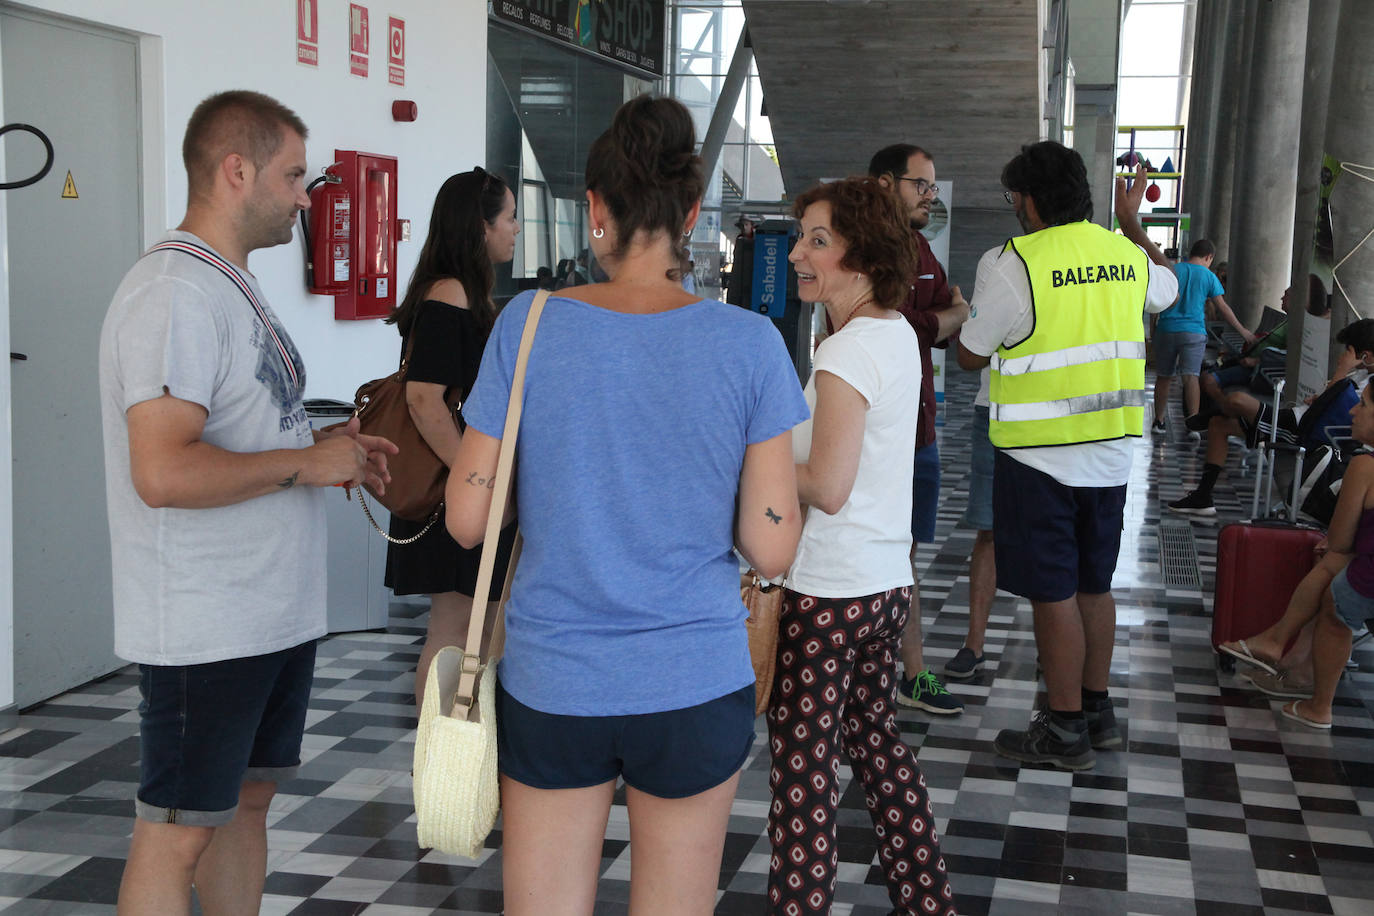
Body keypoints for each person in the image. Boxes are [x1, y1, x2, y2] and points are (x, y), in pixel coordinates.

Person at [444, 95, 808, 916]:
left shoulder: (527, 324)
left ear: (595, 209)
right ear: (688, 211)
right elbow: (772, 546)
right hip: (692, 679)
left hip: (553, 681)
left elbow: (469, 520)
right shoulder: (749, 343)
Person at [98, 90, 395, 915]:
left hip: (265, 613)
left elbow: (251, 428)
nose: (307, 197)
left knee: (246, 807)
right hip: (205, 622)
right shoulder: (174, 294)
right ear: (236, 171)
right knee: (177, 828)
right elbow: (162, 471)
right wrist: (302, 467)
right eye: (294, 175)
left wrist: (324, 454)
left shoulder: (229, 286)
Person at [767, 176, 959, 916]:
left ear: (864, 254)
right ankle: (927, 900)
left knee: (803, 780)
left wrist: (753, 457)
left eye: (819, 240)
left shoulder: (845, 355)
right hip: (884, 587)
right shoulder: (897, 336)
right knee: (879, 751)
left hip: (828, 594)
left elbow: (830, 483)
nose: (797, 256)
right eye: (800, 238)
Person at [958, 148, 1179, 770]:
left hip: (1038, 460)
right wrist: (1131, 225)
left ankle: (1061, 728)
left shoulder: (1011, 262)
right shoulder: (1124, 256)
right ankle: (1097, 709)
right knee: (1093, 586)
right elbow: (1169, 285)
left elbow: (973, 354)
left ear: (1027, 201)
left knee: (1051, 594)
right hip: (1111, 454)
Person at [382, 168, 520, 709]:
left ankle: (458, 760)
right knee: (456, 630)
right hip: (455, 489)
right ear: (479, 226)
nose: (514, 229)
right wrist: (476, 478)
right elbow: (424, 398)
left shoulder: (456, 291)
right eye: (509, 217)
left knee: (472, 629)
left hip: (459, 486)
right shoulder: (451, 294)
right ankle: (444, 764)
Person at [869, 143, 971, 715]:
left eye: (932, 187)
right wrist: (947, 318)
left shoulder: (922, 249)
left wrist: (942, 322)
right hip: (866, 431)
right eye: (921, 186)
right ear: (886, 184)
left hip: (918, 430)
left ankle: (912, 674)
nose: (931, 197)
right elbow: (895, 326)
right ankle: (855, 666)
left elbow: (940, 323)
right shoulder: (859, 248)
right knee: (860, 545)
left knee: (904, 552)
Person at [1220, 380, 1374, 728]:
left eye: (1363, 405)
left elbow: (1338, 539)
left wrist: (1337, 548)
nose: (1352, 410)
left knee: (1338, 594)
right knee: (1339, 564)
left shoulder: (1365, 466)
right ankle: (1292, 660)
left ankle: (1318, 705)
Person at [1169, 319, 1374, 517]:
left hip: (1300, 430)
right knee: (1218, 425)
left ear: (1366, 356)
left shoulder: (1369, 386)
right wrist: (1319, 397)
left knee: (1238, 400)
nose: (1343, 356)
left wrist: (1342, 369)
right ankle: (1202, 496)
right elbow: (1329, 399)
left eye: (1348, 350)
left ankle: (1215, 411)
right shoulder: (1360, 375)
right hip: (1298, 418)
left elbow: (1335, 404)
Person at [945, 246, 1006, 682]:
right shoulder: (996, 260)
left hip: (1061, 419)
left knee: (1055, 535)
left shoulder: (1092, 261)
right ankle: (974, 643)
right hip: (998, 409)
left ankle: (1056, 644)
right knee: (990, 529)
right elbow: (973, 348)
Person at [1151, 238, 1254, 433]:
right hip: (1193, 333)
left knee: (1164, 377)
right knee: (1191, 378)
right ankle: (1193, 425)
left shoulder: (1172, 271)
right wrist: (1243, 331)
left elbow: (1158, 301)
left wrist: (1154, 329)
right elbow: (1222, 307)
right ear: (1209, 257)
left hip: (1167, 329)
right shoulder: (1208, 276)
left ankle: (1159, 421)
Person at [726, 215, 755, 307]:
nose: (744, 227)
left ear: (751, 225)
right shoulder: (740, 239)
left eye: (746, 224)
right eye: (742, 226)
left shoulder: (758, 240)